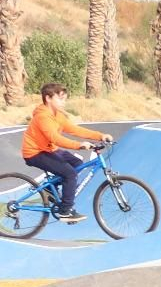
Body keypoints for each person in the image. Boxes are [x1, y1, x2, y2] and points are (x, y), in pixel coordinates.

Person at [21, 82, 112, 224]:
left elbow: (75, 130)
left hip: (49, 149)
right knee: (70, 174)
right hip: (35, 153)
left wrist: (100, 136)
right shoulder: (43, 117)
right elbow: (55, 138)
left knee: (77, 163)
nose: (64, 102)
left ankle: (51, 190)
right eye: (60, 98)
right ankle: (65, 211)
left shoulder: (57, 115)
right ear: (48, 98)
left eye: (65, 99)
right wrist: (78, 145)